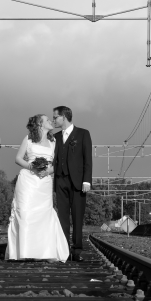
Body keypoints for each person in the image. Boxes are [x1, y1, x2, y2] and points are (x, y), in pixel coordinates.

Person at [5, 114, 69, 262]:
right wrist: (31, 166)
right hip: (28, 181)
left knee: (43, 215)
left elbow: (58, 164)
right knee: (26, 213)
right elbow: (18, 158)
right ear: (40, 124)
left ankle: (44, 252)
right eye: (47, 120)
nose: (50, 121)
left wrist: (48, 171)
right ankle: (24, 252)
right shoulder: (28, 139)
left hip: (44, 183)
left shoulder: (54, 142)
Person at [52, 106, 93, 262]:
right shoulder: (54, 137)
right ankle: (64, 250)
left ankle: (77, 250)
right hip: (60, 180)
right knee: (62, 217)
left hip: (78, 182)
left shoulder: (83, 134)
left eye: (55, 117)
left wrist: (87, 180)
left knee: (77, 217)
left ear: (64, 117)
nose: (54, 120)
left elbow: (88, 159)